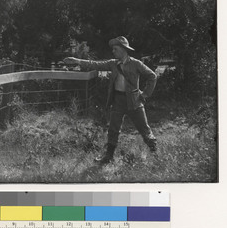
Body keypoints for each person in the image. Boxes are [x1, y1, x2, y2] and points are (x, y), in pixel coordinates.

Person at [64, 36, 157, 164]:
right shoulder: (113, 63)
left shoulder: (136, 64)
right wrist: (77, 60)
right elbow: (95, 64)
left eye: (115, 49)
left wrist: (145, 94)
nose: (113, 51)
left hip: (134, 101)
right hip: (118, 100)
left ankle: (156, 155)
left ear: (123, 50)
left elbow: (152, 76)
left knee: (144, 128)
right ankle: (108, 157)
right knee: (113, 129)